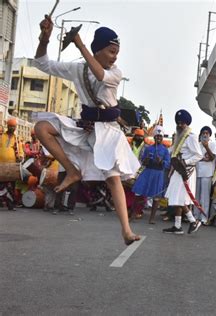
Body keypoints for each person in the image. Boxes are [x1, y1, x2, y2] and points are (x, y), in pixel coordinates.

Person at [33, 18, 141, 245]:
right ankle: (72, 171)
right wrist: (44, 38)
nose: (115, 57)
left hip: (108, 133)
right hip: (87, 128)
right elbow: (42, 63)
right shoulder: (77, 69)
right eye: (112, 51)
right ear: (99, 50)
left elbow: (100, 75)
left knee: (113, 180)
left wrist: (79, 43)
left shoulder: (115, 73)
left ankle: (126, 231)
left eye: (117, 52)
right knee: (41, 128)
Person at [163, 110, 203, 234]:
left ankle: (193, 221)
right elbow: (174, 152)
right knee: (176, 197)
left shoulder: (191, 137)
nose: (180, 125)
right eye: (178, 123)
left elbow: (199, 155)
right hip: (177, 169)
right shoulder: (179, 136)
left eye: (182, 123)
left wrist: (185, 162)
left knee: (179, 198)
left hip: (186, 171)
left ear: (187, 124)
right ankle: (177, 226)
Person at [132, 126, 170, 224]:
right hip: (147, 171)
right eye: (156, 136)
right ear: (154, 137)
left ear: (162, 138)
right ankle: (132, 214)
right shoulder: (148, 148)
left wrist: (161, 161)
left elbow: (167, 164)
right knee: (138, 191)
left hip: (158, 174)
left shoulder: (165, 150)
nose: (158, 138)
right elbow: (143, 161)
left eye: (160, 137)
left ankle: (152, 218)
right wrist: (146, 160)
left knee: (156, 197)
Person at [0, 118, 24, 211]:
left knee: (11, 186)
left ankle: (11, 205)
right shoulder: (1, 136)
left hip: (12, 166)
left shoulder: (17, 138)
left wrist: (21, 156)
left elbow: (21, 151)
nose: (12, 128)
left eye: (13, 126)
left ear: (15, 127)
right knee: (1, 186)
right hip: (1, 165)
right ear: (7, 126)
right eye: (10, 126)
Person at [194, 126, 216, 224]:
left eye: (207, 133)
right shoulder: (197, 144)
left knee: (205, 196)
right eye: (203, 132)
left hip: (207, 173)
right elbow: (195, 157)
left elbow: (212, 157)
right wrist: (202, 159)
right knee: (196, 196)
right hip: (197, 172)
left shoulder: (213, 144)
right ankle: (195, 216)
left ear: (210, 135)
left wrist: (206, 146)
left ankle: (204, 217)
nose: (205, 134)